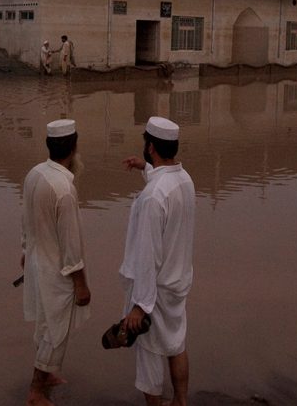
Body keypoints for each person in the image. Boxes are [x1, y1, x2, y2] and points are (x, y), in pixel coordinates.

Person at [119, 116, 195, 405]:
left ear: (150, 147)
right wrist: (145, 168)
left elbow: (148, 254)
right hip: (178, 283)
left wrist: (141, 305)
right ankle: (181, 401)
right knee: (176, 345)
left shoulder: (153, 197)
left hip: (155, 291)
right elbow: (164, 181)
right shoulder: (184, 180)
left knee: (149, 359)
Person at [22, 119, 91, 405]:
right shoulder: (64, 189)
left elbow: (25, 218)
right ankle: (36, 391)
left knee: (45, 323)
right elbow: (71, 244)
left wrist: (25, 249)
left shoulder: (35, 173)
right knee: (56, 330)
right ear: (73, 148)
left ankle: (47, 375)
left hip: (36, 262)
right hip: (56, 270)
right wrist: (81, 284)